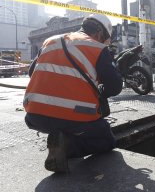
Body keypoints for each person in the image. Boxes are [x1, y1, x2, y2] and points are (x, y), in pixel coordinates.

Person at [24, 13, 123, 173]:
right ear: (99, 34)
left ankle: (60, 139)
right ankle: (67, 146)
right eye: (105, 39)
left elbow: (31, 72)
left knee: (65, 124)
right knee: (107, 140)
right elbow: (115, 87)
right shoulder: (98, 48)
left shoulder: (50, 41)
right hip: (76, 117)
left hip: (35, 117)